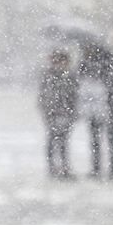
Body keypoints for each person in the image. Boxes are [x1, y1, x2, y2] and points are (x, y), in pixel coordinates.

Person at [77, 43, 113, 180]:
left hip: (108, 106)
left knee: (109, 138)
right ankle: (98, 168)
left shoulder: (108, 60)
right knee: (96, 139)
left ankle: (111, 169)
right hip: (95, 107)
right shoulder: (86, 62)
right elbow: (81, 79)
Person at [37, 48, 79, 180]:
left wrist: (72, 111)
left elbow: (74, 95)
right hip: (53, 112)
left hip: (65, 113)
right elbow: (44, 96)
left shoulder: (70, 76)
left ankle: (64, 166)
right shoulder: (49, 75)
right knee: (53, 140)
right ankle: (53, 167)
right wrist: (47, 111)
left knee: (63, 141)